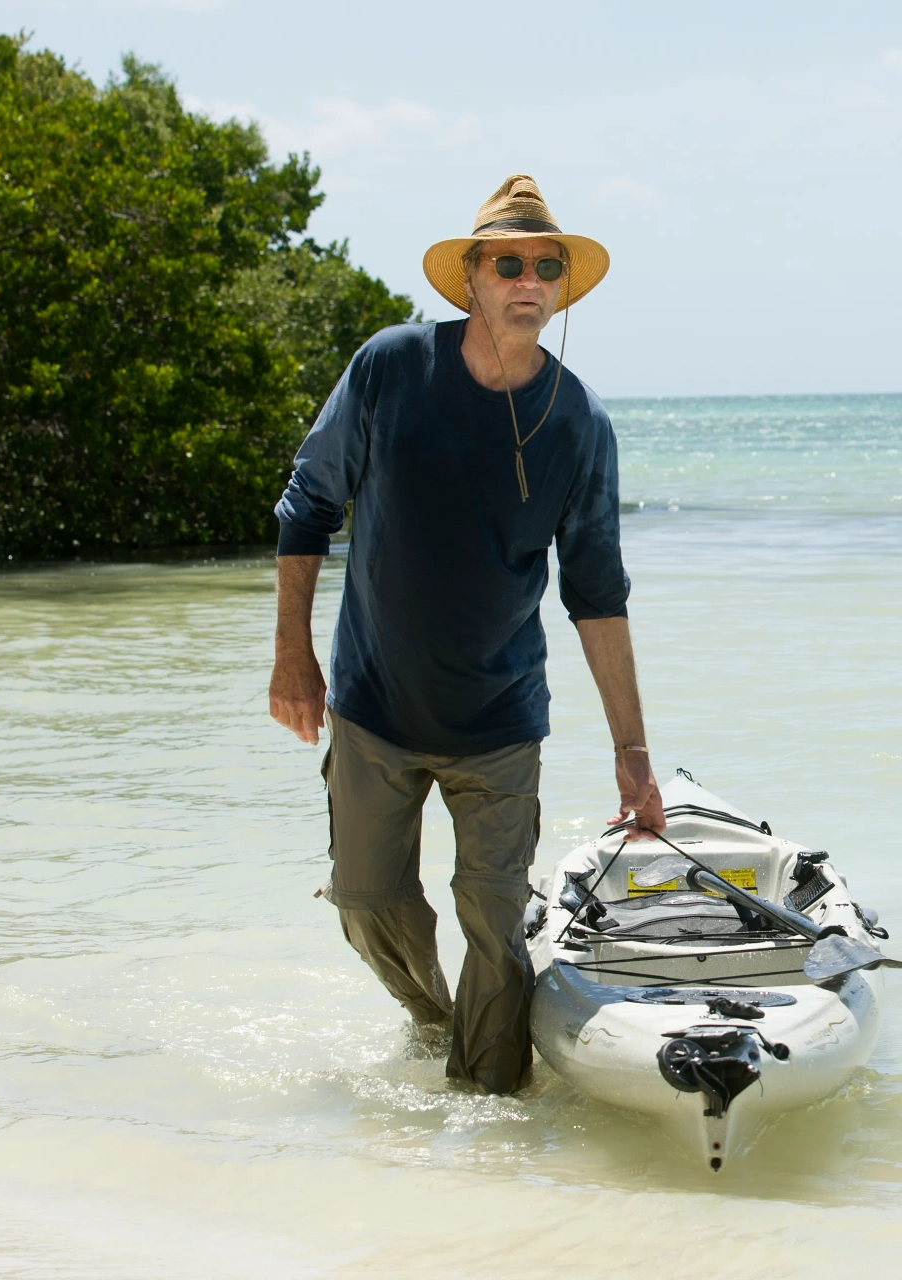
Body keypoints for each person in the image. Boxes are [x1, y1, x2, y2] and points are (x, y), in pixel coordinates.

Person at [266, 175, 666, 1094]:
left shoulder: (580, 422)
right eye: (509, 262)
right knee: (367, 904)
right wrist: (292, 657)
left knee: (493, 920)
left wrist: (633, 753)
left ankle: (490, 1121)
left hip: (499, 721)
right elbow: (307, 506)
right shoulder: (391, 368)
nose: (529, 278)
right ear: (474, 278)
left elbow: (597, 594)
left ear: (560, 284)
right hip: (373, 706)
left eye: (546, 265)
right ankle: (435, 1021)